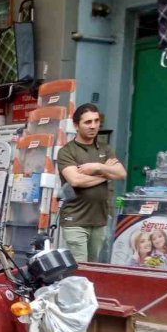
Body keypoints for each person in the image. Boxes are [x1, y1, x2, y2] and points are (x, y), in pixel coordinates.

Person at [57, 104, 127, 263]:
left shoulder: (105, 149)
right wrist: (107, 174)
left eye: (96, 121)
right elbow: (76, 180)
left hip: (100, 219)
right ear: (76, 125)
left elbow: (121, 173)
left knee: (93, 266)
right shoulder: (67, 151)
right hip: (75, 220)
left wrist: (97, 167)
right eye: (88, 122)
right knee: (81, 267)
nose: (93, 126)